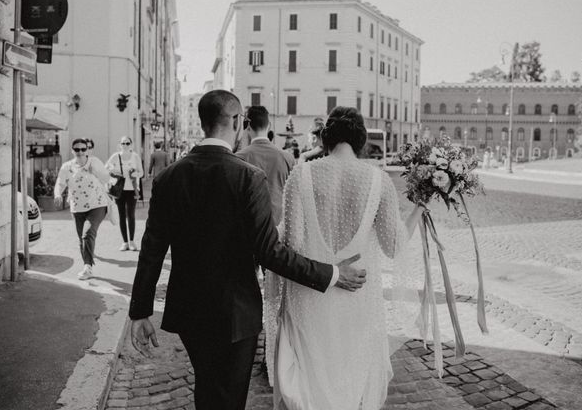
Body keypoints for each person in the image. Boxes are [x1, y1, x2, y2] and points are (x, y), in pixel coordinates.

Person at [128, 90, 367, 410]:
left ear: (202, 123)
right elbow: (270, 253)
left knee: (208, 388)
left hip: (189, 311)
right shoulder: (247, 177)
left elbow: (152, 248)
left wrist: (140, 311)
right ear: (238, 122)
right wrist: (333, 273)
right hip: (235, 313)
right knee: (228, 398)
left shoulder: (169, 177)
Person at [264, 106, 424, 410]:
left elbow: (292, 244)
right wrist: (419, 207)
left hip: (309, 296)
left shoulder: (302, 174)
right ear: (361, 139)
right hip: (356, 300)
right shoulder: (379, 181)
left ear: (327, 137)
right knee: (348, 385)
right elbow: (393, 246)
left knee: (306, 387)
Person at [54, 138, 111, 280]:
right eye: (77, 149)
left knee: (88, 232)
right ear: (73, 151)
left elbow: (106, 179)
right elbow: (60, 183)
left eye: (83, 149)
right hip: (77, 207)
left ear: (87, 150)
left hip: (97, 204)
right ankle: (88, 264)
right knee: (81, 238)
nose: (80, 152)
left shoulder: (95, 162)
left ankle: (87, 267)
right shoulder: (67, 167)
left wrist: (96, 172)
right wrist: (57, 194)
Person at [236, 105, 295, 226]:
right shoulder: (287, 158)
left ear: (248, 127)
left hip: (249, 228)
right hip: (278, 227)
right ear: (268, 126)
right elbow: (293, 199)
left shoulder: (238, 158)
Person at [106, 137, 143, 251]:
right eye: (123, 143)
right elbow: (106, 168)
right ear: (120, 145)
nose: (125, 145)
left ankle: (132, 241)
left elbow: (141, 173)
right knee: (122, 215)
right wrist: (114, 171)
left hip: (132, 189)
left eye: (127, 143)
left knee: (130, 214)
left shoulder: (135, 156)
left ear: (131, 145)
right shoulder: (115, 156)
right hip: (119, 189)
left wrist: (133, 174)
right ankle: (125, 242)